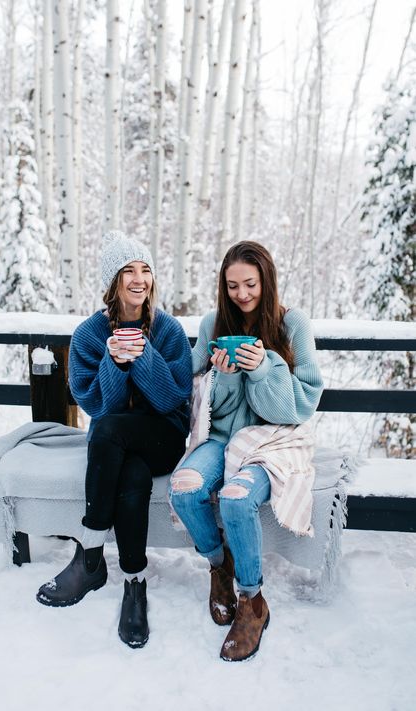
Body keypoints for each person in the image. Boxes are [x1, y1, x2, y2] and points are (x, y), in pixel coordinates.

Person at [36, 230, 192, 649]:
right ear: (113, 282)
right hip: (117, 445)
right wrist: (113, 362)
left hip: (164, 436)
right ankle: (134, 583)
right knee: (132, 477)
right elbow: (95, 405)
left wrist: (141, 357)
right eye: (128, 271)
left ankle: (88, 554)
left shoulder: (169, 330)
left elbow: (173, 399)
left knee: (108, 435)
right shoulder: (89, 335)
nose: (139, 279)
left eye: (145, 270)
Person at [170, 240, 324, 662]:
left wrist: (262, 370)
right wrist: (220, 378)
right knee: (183, 490)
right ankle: (220, 566)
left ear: (267, 280)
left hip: (271, 441)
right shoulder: (211, 323)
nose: (242, 294)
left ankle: (252, 601)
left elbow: (300, 404)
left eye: (250, 284)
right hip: (220, 438)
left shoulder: (293, 326)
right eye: (233, 285)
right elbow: (194, 391)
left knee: (237, 501)